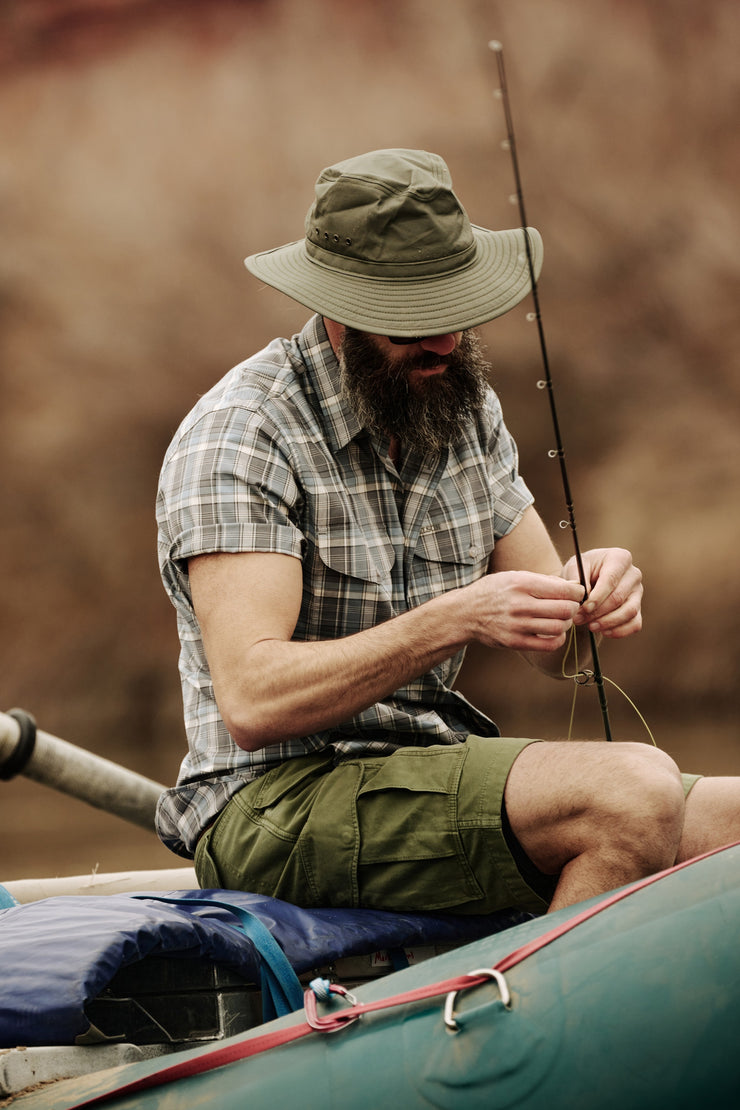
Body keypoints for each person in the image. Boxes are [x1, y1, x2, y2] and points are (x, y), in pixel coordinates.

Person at [156, 148, 739, 916]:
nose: (445, 343)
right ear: (338, 311)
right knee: (631, 794)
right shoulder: (243, 434)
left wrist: (590, 599)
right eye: (414, 321)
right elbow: (255, 702)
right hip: (271, 808)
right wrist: (453, 619)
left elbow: (553, 647)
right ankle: (539, 1027)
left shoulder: (462, 406)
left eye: (456, 311)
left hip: (428, 767)